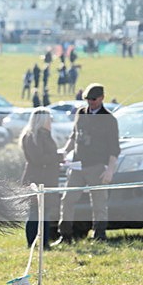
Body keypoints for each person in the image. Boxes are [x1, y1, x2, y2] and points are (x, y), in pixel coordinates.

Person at [53, 83, 120, 245]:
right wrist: (64, 151)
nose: (90, 102)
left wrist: (110, 170)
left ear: (102, 98)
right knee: (68, 199)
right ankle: (65, 235)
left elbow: (114, 148)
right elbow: (74, 136)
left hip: (97, 166)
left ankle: (99, 236)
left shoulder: (109, 119)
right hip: (77, 165)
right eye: (88, 99)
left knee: (99, 203)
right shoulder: (81, 112)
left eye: (94, 99)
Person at [19, 107, 62, 248]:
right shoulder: (31, 137)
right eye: (49, 119)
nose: (51, 122)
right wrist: (58, 157)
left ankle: (44, 243)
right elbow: (38, 159)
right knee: (34, 213)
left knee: (45, 212)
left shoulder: (45, 135)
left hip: (48, 178)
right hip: (35, 179)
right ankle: (31, 243)